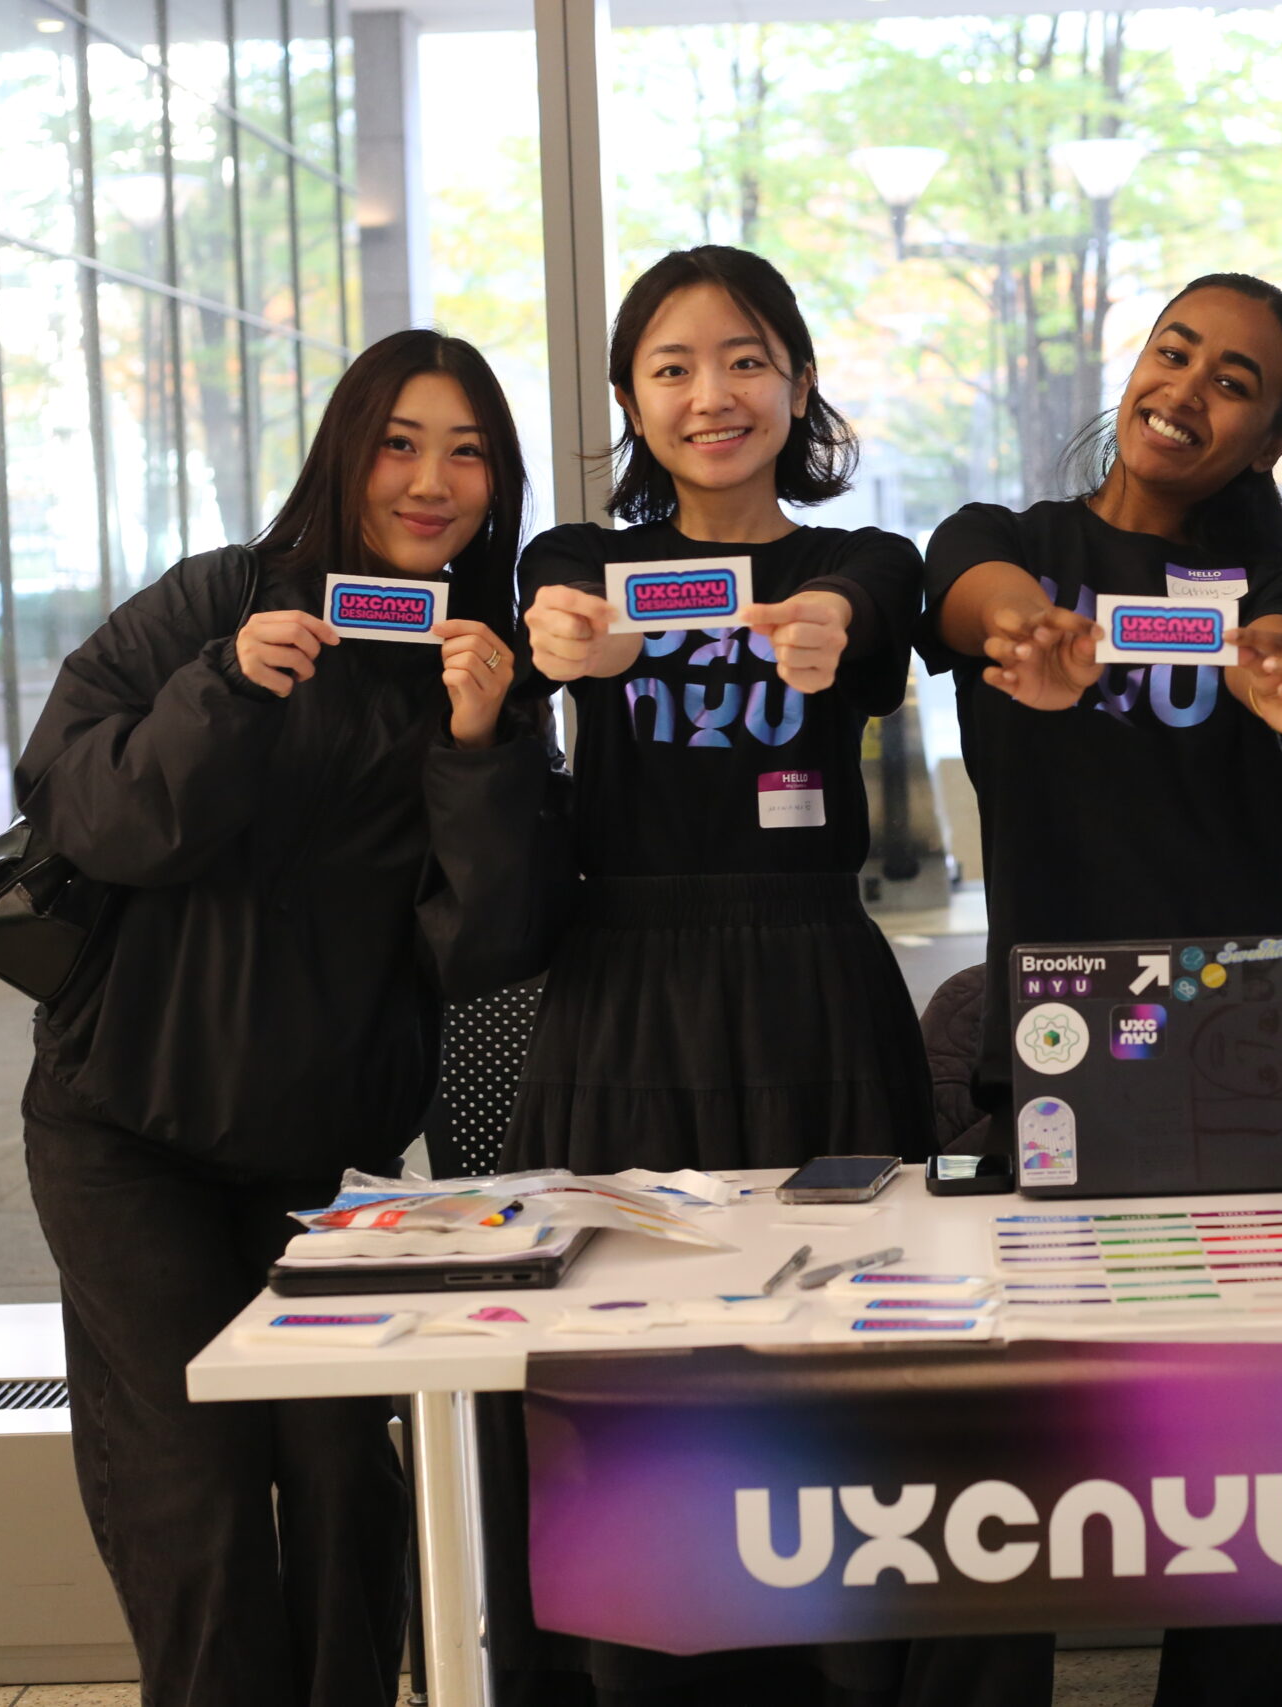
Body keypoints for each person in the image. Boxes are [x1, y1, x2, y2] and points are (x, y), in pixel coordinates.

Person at [430, 243, 929, 1706]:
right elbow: (560, 638)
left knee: (839, 1357)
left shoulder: (866, 562)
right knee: (618, 1361)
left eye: (745, 358)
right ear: (631, 399)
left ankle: (838, 1662)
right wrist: (576, 646)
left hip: (810, 976)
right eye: (672, 365)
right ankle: (632, 1661)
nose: (712, 392)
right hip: (621, 985)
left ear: (798, 380)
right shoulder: (571, 561)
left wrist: (824, 633)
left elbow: (862, 627)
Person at [11, 329, 535, 1707]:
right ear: (345, 451)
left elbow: (486, 945)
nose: (431, 480)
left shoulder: (475, 662)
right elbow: (88, 812)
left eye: (467, 449)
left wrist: (483, 755)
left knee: (342, 1482)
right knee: (196, 1494)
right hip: (127, 1125)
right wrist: (227, 687)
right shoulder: (212, 605)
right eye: (400, 442)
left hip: (325, 1150)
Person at [913, 270, 1282, 1707]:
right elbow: (975, 597)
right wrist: (1028, 633)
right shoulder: (1009, 543)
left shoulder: (1279, 587)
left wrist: (1281, 672)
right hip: (1063, 1038)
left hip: (1263, 1039)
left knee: (1253, 1464)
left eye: (1236, 380)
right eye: (1178, 350)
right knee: (1033, 1440)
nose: (1190, 386)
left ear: (1270, 438)